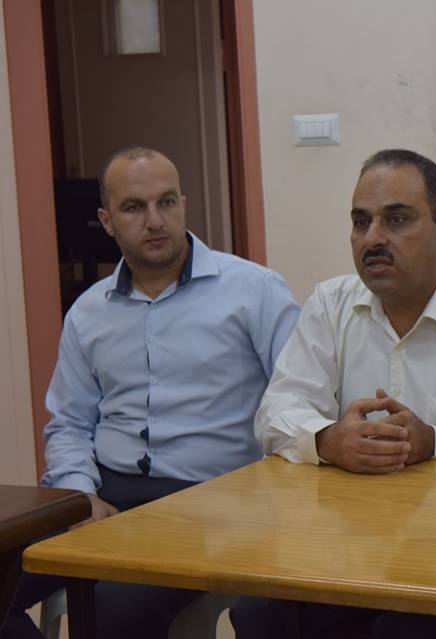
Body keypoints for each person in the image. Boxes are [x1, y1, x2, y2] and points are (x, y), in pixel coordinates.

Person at [230, 149, 436, 638]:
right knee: (258, 609)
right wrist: (328, 440)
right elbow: (276, 411)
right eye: (360, 222)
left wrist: (435, 443)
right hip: (348, 548)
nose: (373, 239)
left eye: (397, 220)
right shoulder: (330, 305)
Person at [1, 146, 300, 639]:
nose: (155, 220)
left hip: (210, 501)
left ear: (184, 204)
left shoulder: (255, 291)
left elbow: (302, 402)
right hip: (106, 491)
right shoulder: (88, 312)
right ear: (107, 221)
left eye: (167, 202)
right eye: (134, 208)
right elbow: (70, 423)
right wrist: (81, 496)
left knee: (113, 606)